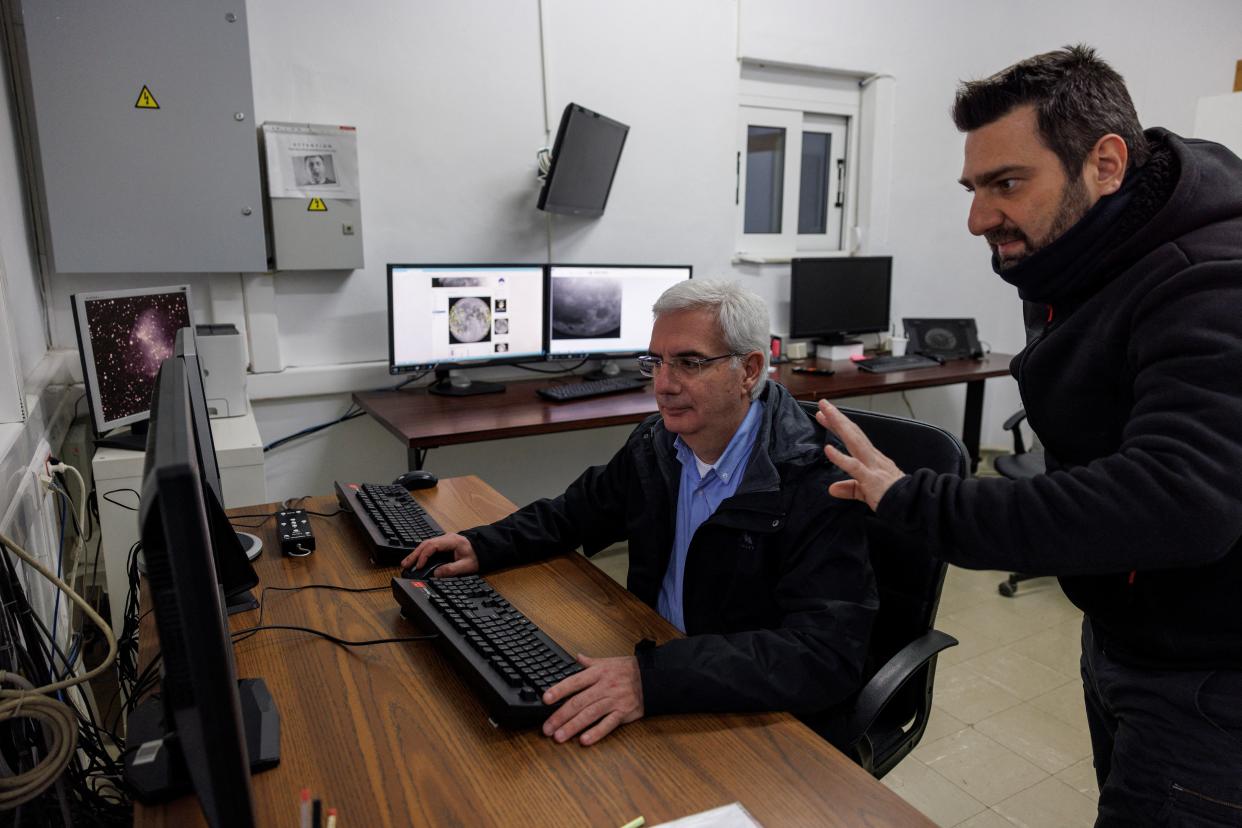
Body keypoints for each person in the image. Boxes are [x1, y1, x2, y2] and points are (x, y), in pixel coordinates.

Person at [815, 45, 1242, 825]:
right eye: (974, 187)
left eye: (1006, 183)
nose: (978, 219)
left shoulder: (1210, 281)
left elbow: (1180, 500)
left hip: (1211, 672)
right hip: (1124, 627)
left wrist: (918, 501)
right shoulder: (1079, 252)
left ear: (1106, 163)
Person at [407, 280, 876, 747]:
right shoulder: (659, 442)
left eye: (689, 363)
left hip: (744, 714)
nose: (664, 385)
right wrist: (484, 543)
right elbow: (576, 512)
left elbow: (824, 655)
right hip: (658, 660)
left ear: (749, 370)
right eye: (656, 362)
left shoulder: (815, 476)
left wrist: (652, 680)